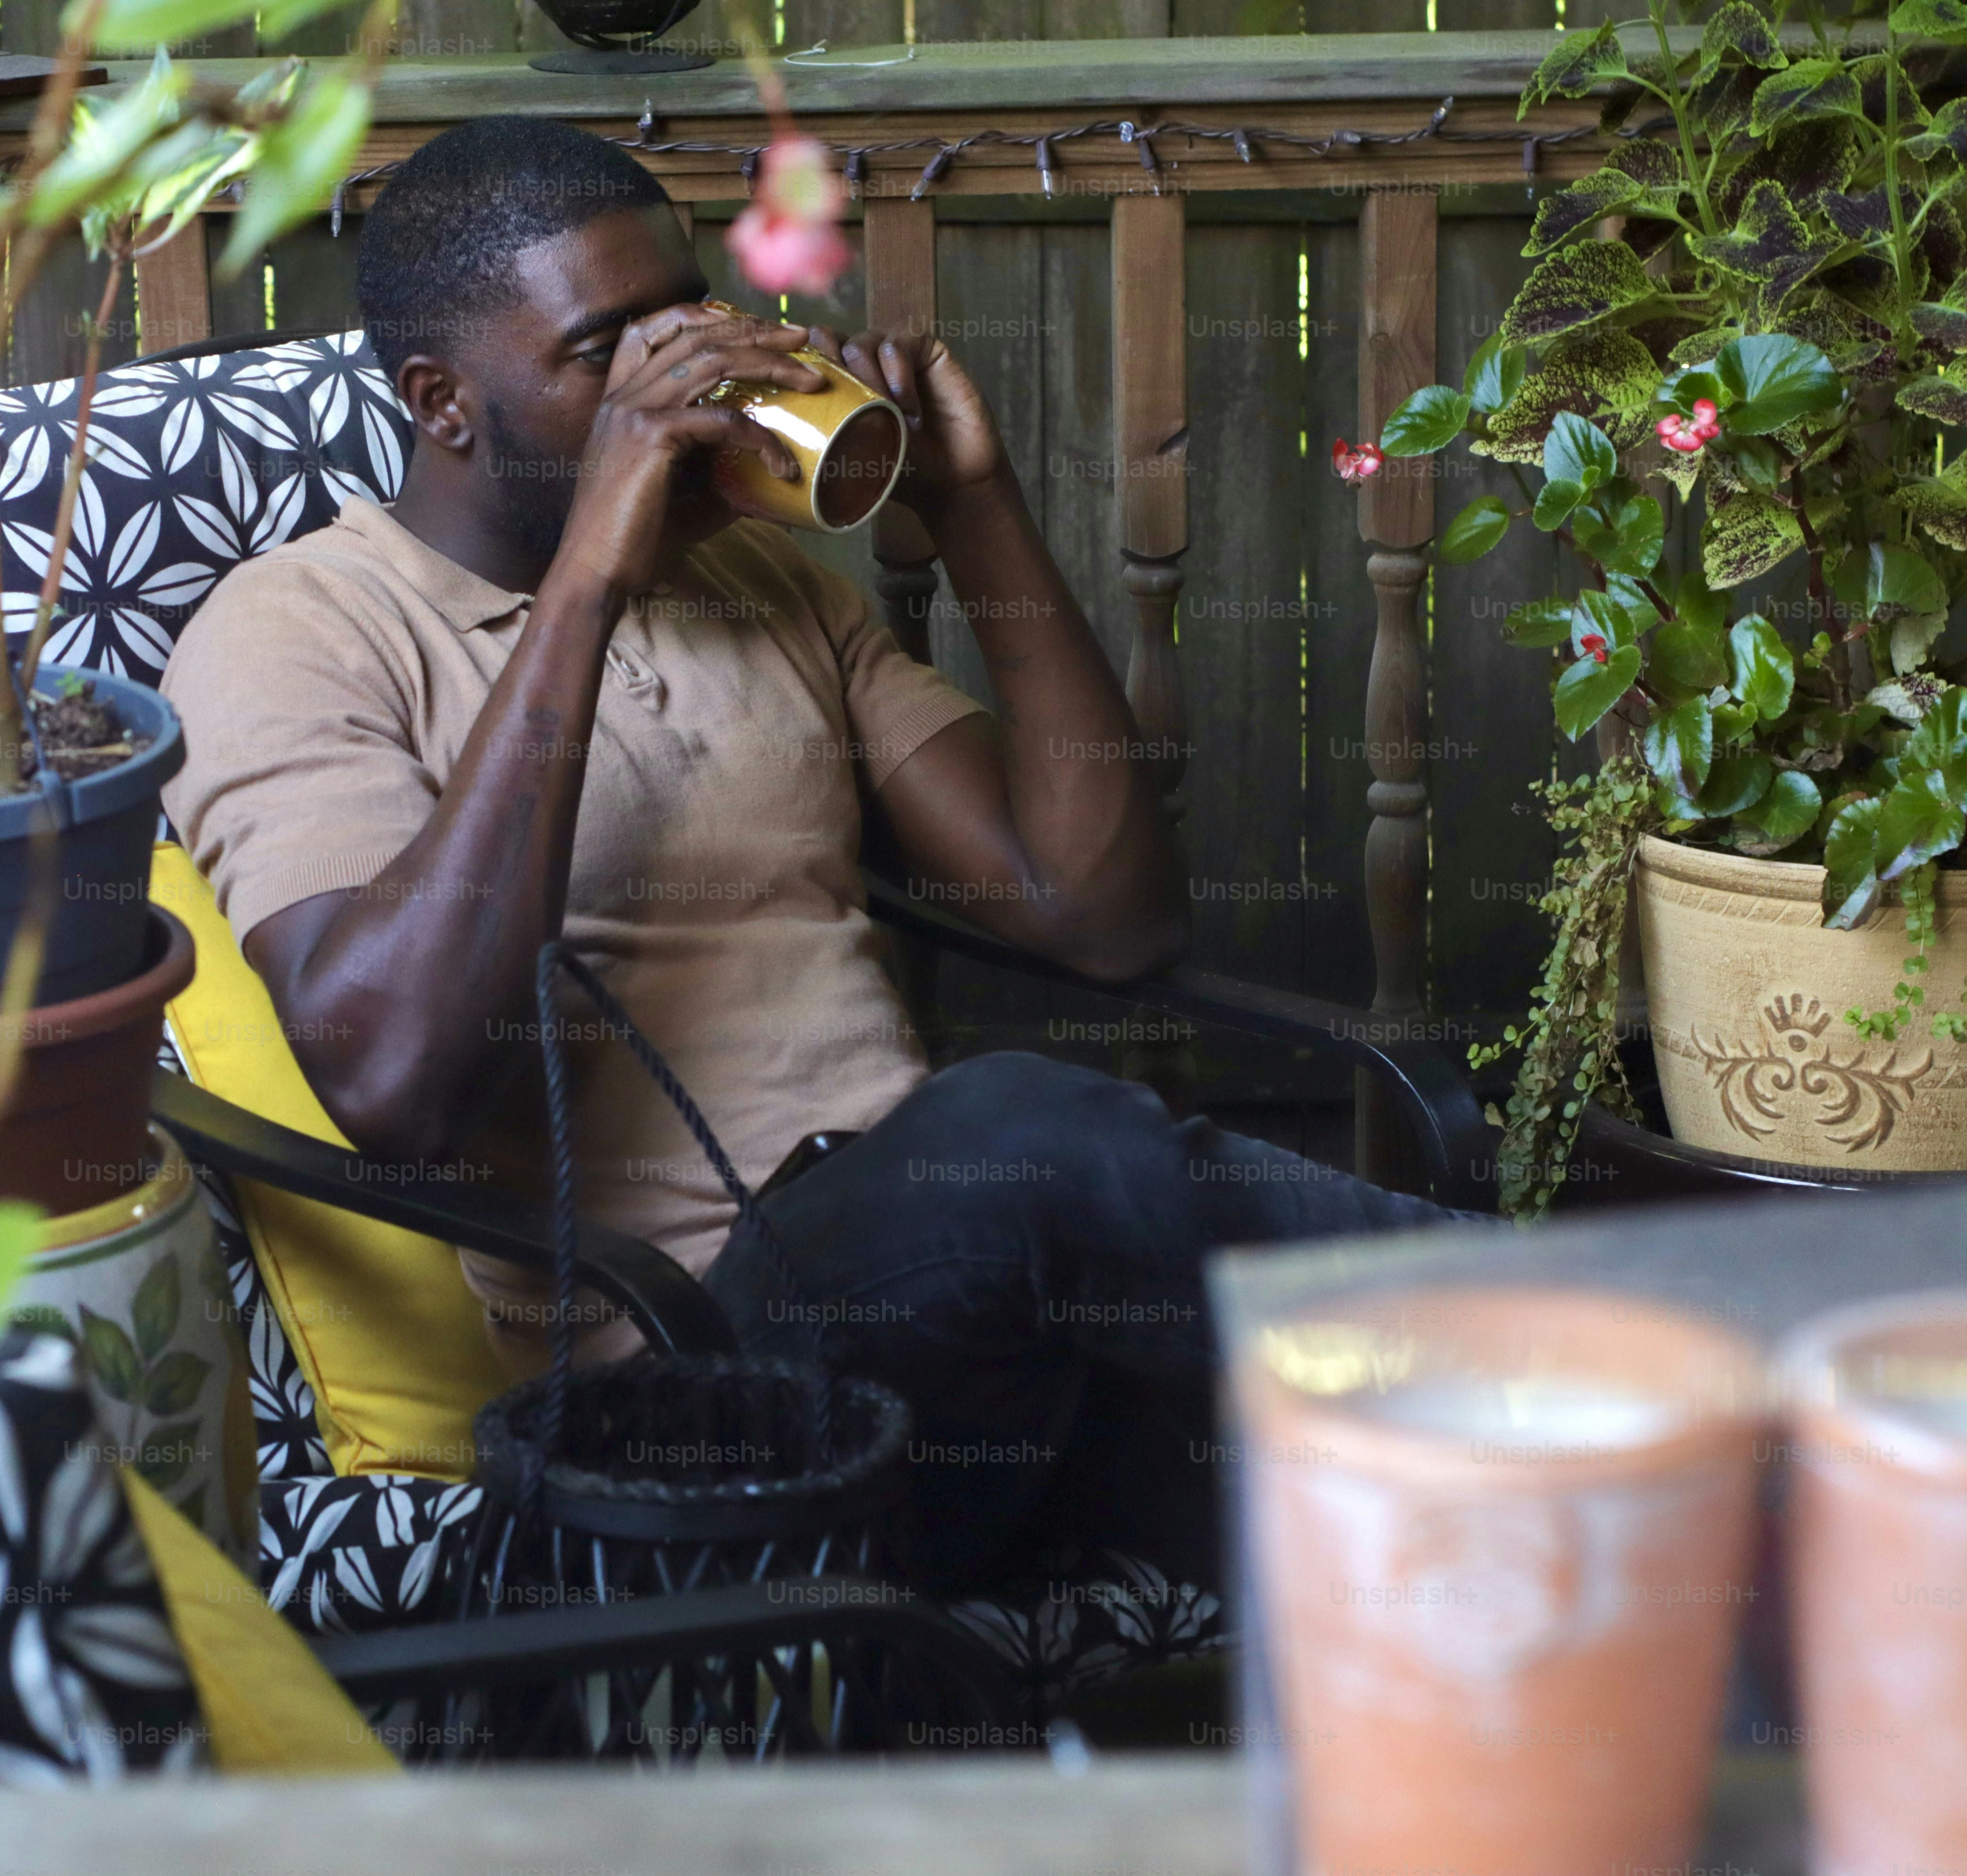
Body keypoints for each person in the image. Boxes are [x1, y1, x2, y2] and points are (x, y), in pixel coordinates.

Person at [159, 116, 1451, 1594]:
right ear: (445, 401)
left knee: (1428, 1522)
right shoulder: (295, 631)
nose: (685, 381)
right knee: (1021, 1132)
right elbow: (394, 1087)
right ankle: (1602, 1319)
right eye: (610, 352)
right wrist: (589, 574)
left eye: (685, 319)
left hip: (967, 1325)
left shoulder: (766, 586)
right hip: (695, 1387)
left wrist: (977, 513)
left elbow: (1106, 920)